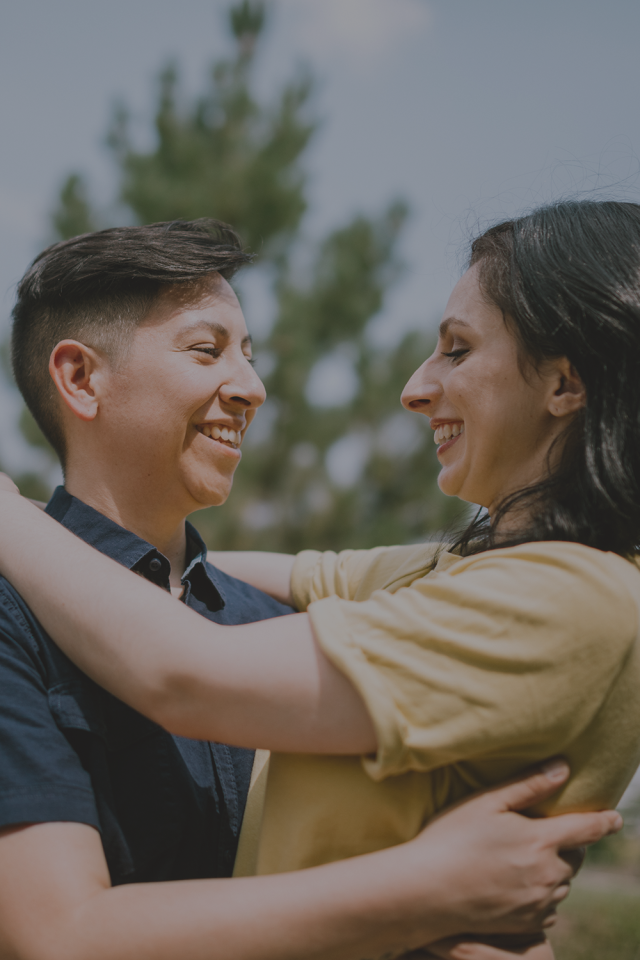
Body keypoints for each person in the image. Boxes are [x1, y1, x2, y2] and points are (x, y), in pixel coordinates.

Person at [0, 204, 635, 958]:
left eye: (457, 350)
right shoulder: (417, 581)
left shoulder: (268, 629)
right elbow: (54, 935)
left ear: (567, 385)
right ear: (78, 377)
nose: (252, 388)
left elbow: (184, 671)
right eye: (207, 351)